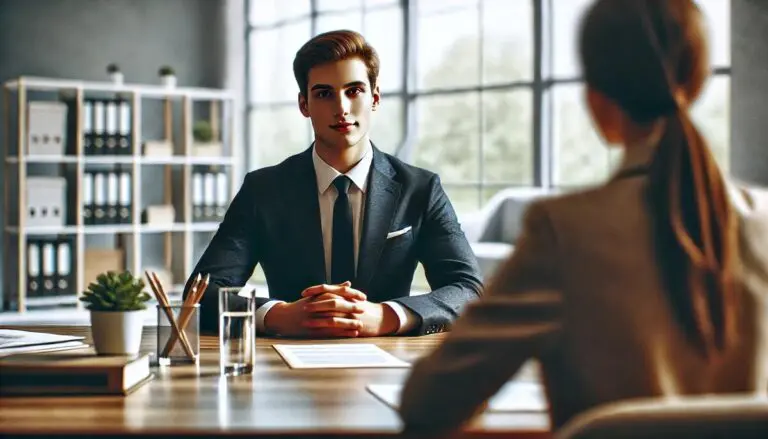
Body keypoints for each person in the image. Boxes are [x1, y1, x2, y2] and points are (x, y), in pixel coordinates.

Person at [399, 0, 768, 433]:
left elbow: (427, 404)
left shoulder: (564, 232)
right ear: (699, 80)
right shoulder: (762, 221)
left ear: (596, 101)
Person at [186, 29, 482, 338]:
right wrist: (279, 315)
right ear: (304, 104)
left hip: (389, 362)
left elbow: (468, 290)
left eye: (354, 91)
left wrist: (387, 315)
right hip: (288, 365)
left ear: (375, 98)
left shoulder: (420, 189)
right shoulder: (263, 190)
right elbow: (201, 294)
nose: (341, 108)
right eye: (324, 93)